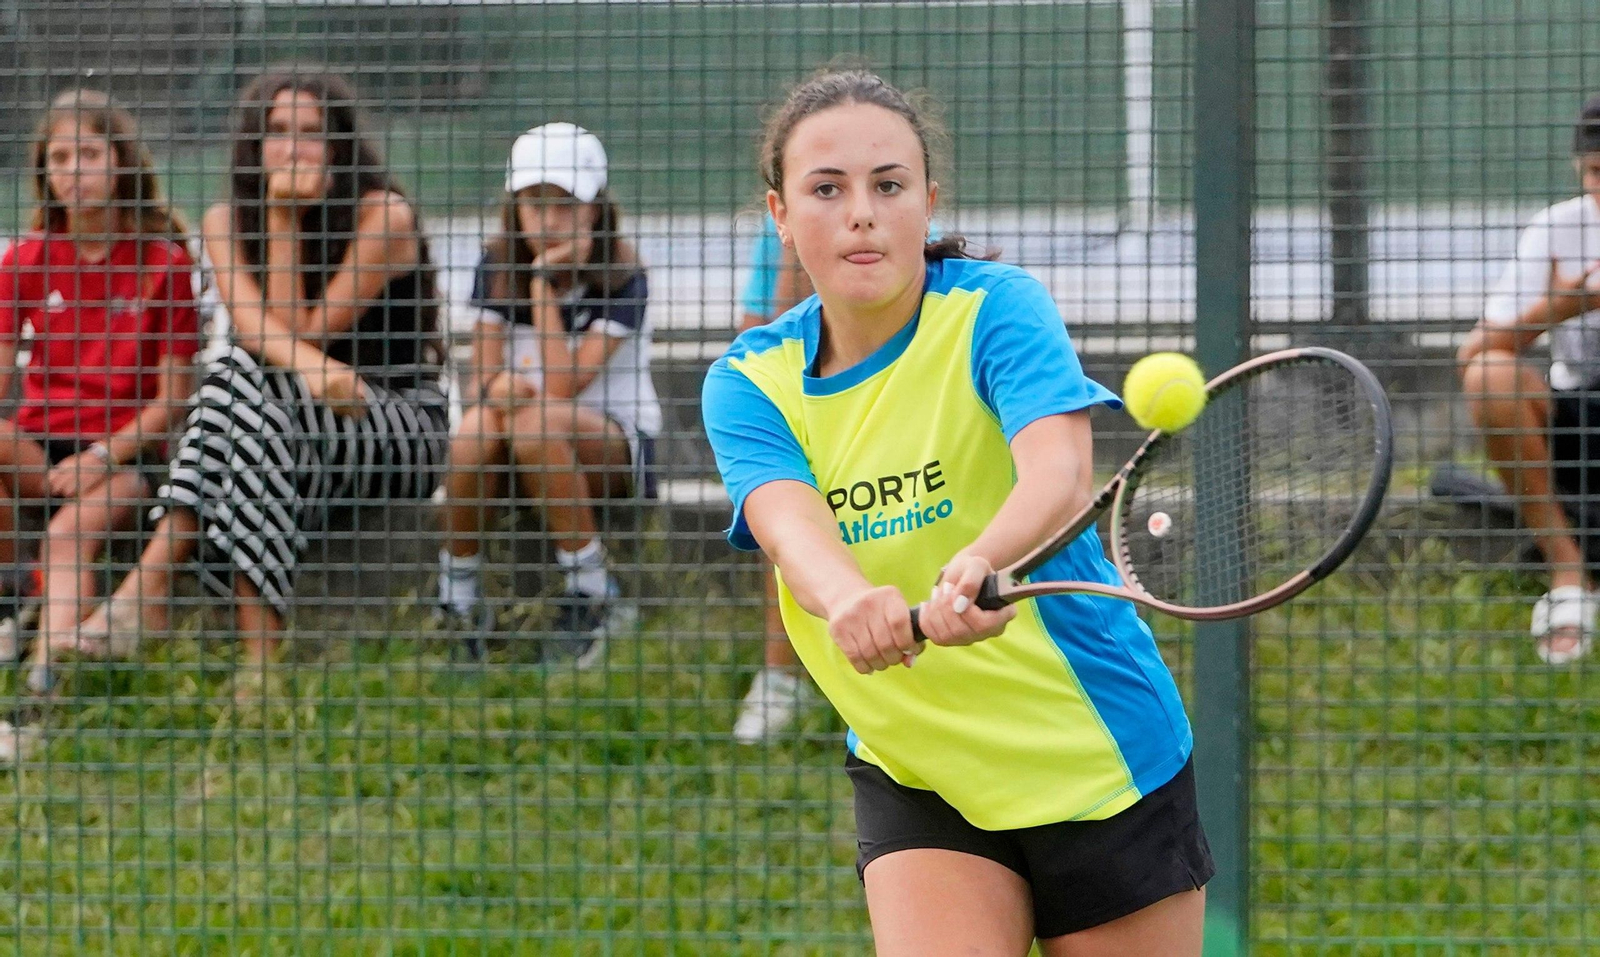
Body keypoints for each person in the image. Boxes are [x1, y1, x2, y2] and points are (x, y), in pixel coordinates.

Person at [701, 69, 1210, 954]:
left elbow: (1056, 472)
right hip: (919, 766)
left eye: (888, 185)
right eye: (827, 189)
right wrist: (851, 597)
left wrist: (981, 560)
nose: (861, 212)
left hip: (1094, 754)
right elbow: (790, 522)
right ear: (780, 214)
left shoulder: (995, 309)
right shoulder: (750, 381)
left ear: (927, 202)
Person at [47, 71, 448, 675]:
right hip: (281, 424)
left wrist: (284, 220)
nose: (293, 149)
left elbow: (298, 333)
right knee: (246, 389)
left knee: (238, 379)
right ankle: (258, 674)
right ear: (253, 147)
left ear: (337, 147)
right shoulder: (225, 222)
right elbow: (267, 341)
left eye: (311, 134)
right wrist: (279, 219)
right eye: (277, 132)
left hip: (389, 417)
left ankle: (145, 594)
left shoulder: (382, 216)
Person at [436, 122, 659, 664]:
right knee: (471, 433)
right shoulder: (493, 263)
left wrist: (540, 283)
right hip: (518, 433)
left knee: (533, 423)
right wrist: (497, 388)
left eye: (565, 204)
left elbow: (563, 388)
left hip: (613, 441)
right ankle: (457, 597)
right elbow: (482, 377)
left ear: (596, 210)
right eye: (534, 204)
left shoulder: (626, 272)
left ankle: (593, 591)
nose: (549, 220)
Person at [0, 89, 199, 659]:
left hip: (127, 459)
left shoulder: (164, 263)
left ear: (120, 162)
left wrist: (102, 456)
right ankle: (20, 598)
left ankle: (48, 678)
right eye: (59, 159)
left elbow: (171, 403)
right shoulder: (24, 260)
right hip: (40, 454)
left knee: (67, 537)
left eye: (88, 154)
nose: (73, 172)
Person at [1460, 92, 1600, 664]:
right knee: (1489, 376)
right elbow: (1474, 351)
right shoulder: (1559, 227)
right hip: (1578, 415)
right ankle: (1568, 573)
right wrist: (1559, 309)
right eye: (1595, 172)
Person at [731, 214, 818, 741]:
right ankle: (782, 677)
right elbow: (757, 345)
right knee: (785, 510)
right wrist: (795, 246)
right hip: (809, 413)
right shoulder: (780, 230)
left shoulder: (906, 225)